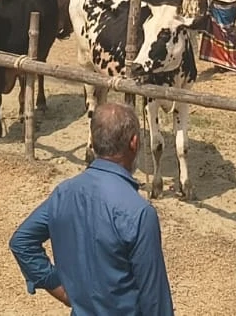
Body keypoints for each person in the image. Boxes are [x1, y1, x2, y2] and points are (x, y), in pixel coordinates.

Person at [10, 101, 174, 315]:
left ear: (94, 142)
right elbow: (155, 301)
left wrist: (61, 289)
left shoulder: (64, 192)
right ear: (134, 142)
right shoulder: (139, 212)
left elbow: (22, 241)